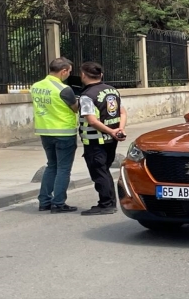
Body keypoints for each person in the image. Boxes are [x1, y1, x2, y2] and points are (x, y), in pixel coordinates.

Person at [30, 57, 79, 214]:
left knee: (51, 165)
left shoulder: (36, 86)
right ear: (63, 71)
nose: (69, 75)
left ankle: (44, 201)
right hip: (64, 132)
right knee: (63, 168)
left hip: (45, 131)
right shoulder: (64, 89)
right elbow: (75, 108)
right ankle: (58, 203)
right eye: (69, 72)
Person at [78, 61, 127, 216]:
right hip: (111, 140)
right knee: (104, 170)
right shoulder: (112, 90)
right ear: (101, 75)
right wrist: (119, 130)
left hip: (95, 140)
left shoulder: (87, 96)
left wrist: (111, 132)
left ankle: (106, 204)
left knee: (99, 172)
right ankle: (108, 202)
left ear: (83, 75)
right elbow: (123, 113)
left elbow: (92, 121)